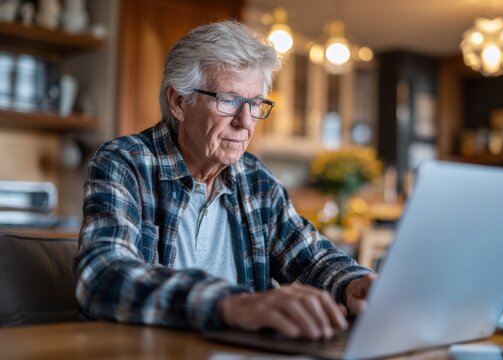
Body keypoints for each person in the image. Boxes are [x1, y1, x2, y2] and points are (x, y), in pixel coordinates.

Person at [74, 20, 376, 341]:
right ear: (179, 102)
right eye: (229, 100)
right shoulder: (126, 162)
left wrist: (355, 283)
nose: (245, 122)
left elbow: (310, 256)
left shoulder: (255, 179)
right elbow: (101, 276)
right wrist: (231, 304)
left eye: (255, 103)